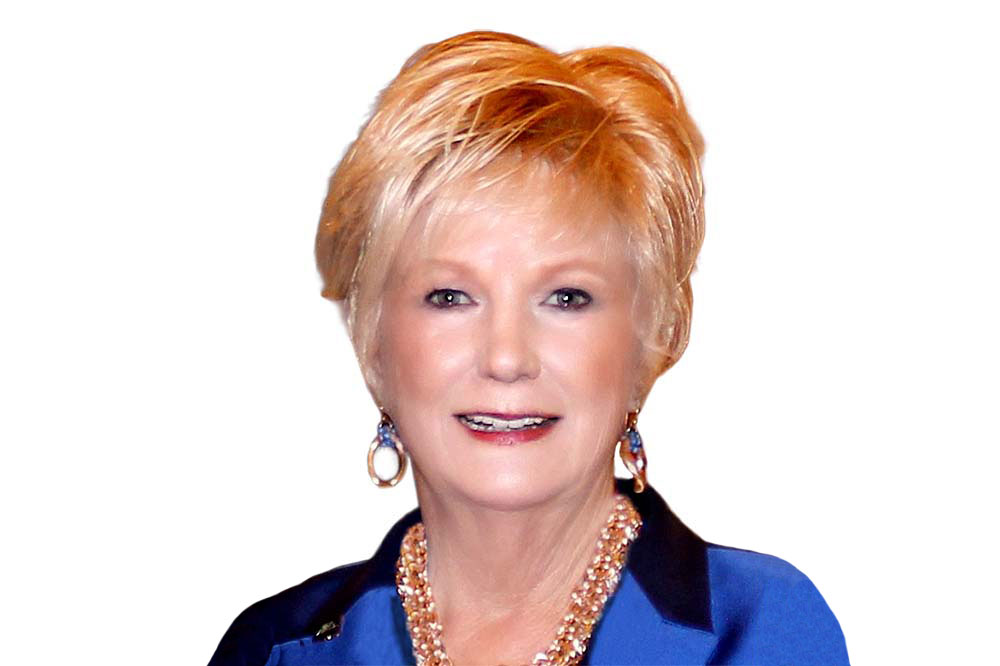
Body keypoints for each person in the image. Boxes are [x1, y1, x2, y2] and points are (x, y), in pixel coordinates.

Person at [208, 30, 849, 665]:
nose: (507, 358)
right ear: (374, 346)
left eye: (566, 298)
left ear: (649, 340)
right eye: (450, 297)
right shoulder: (269, 648)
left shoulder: (761, 631)